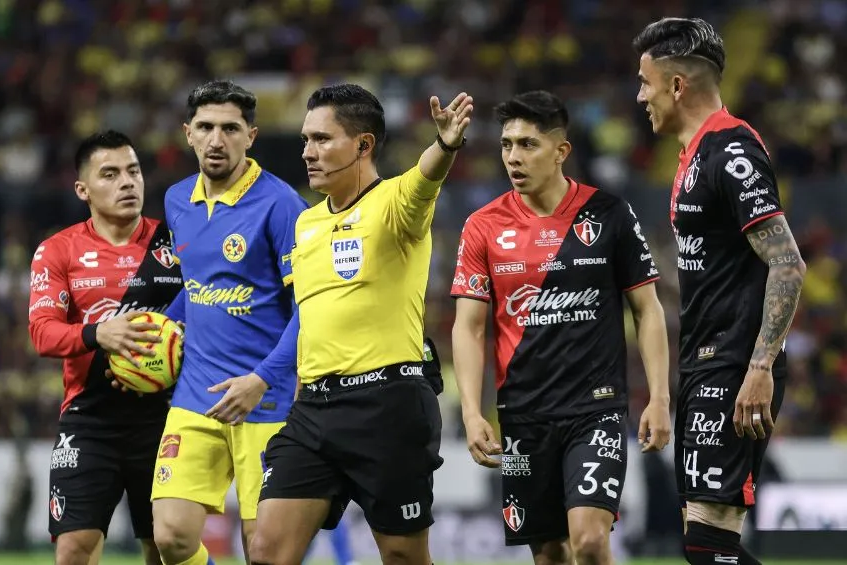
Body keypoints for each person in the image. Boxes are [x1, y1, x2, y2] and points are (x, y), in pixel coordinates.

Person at [248, 83, 472, 565]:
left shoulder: (395, 204)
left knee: (402, 556)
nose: (308, 151)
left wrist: (447, 143)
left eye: (323, 139)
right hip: (314, 411)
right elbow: (314, 320)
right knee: (266, 550)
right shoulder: (306, 225)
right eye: (306, 139)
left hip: (386, 408)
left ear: (364, 145)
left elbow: (425, 176)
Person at [449, 91, 672, 565]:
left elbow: (647, 309)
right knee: (549, 552)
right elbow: (468, 327)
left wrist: (658, 396)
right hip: (523, 413)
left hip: (595, 409)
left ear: (561, 151)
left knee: (590, 541)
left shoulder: (608, 214)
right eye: (507, 144)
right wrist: (471, 412)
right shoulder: (482, 226)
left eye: (528, 144)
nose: (513, 156)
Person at [632, 17, 807, 565]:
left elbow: (788, 264)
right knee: (707, 543)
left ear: (677, 85)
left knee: (708, 546)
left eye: (646, 83)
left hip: (734, 365)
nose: (640, 97)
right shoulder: (694, 155)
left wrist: (758, 368)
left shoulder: (731, 152)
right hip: (708, 362)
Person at [146, 80, 307, 565]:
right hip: (196, 395)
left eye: (230, 128)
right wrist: (152, 331)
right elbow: (197, 291)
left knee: (263, 551)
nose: (217, 139)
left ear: (251, 136)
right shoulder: (177, 200)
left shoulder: (281, 206)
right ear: (188, 134)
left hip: (267, 401)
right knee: (171, 538)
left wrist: (262, 380)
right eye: (206, 127)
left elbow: (311, 309)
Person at [28, 130, 183, 565]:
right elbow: (42, 332)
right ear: (83, 189)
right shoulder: (57, 250)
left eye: (133, 171)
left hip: (165, 417)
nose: (127, 182)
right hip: (90, 420)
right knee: (74, 549)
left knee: (165, 544)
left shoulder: (174, 243)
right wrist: (99, 333)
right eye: (110, 174)